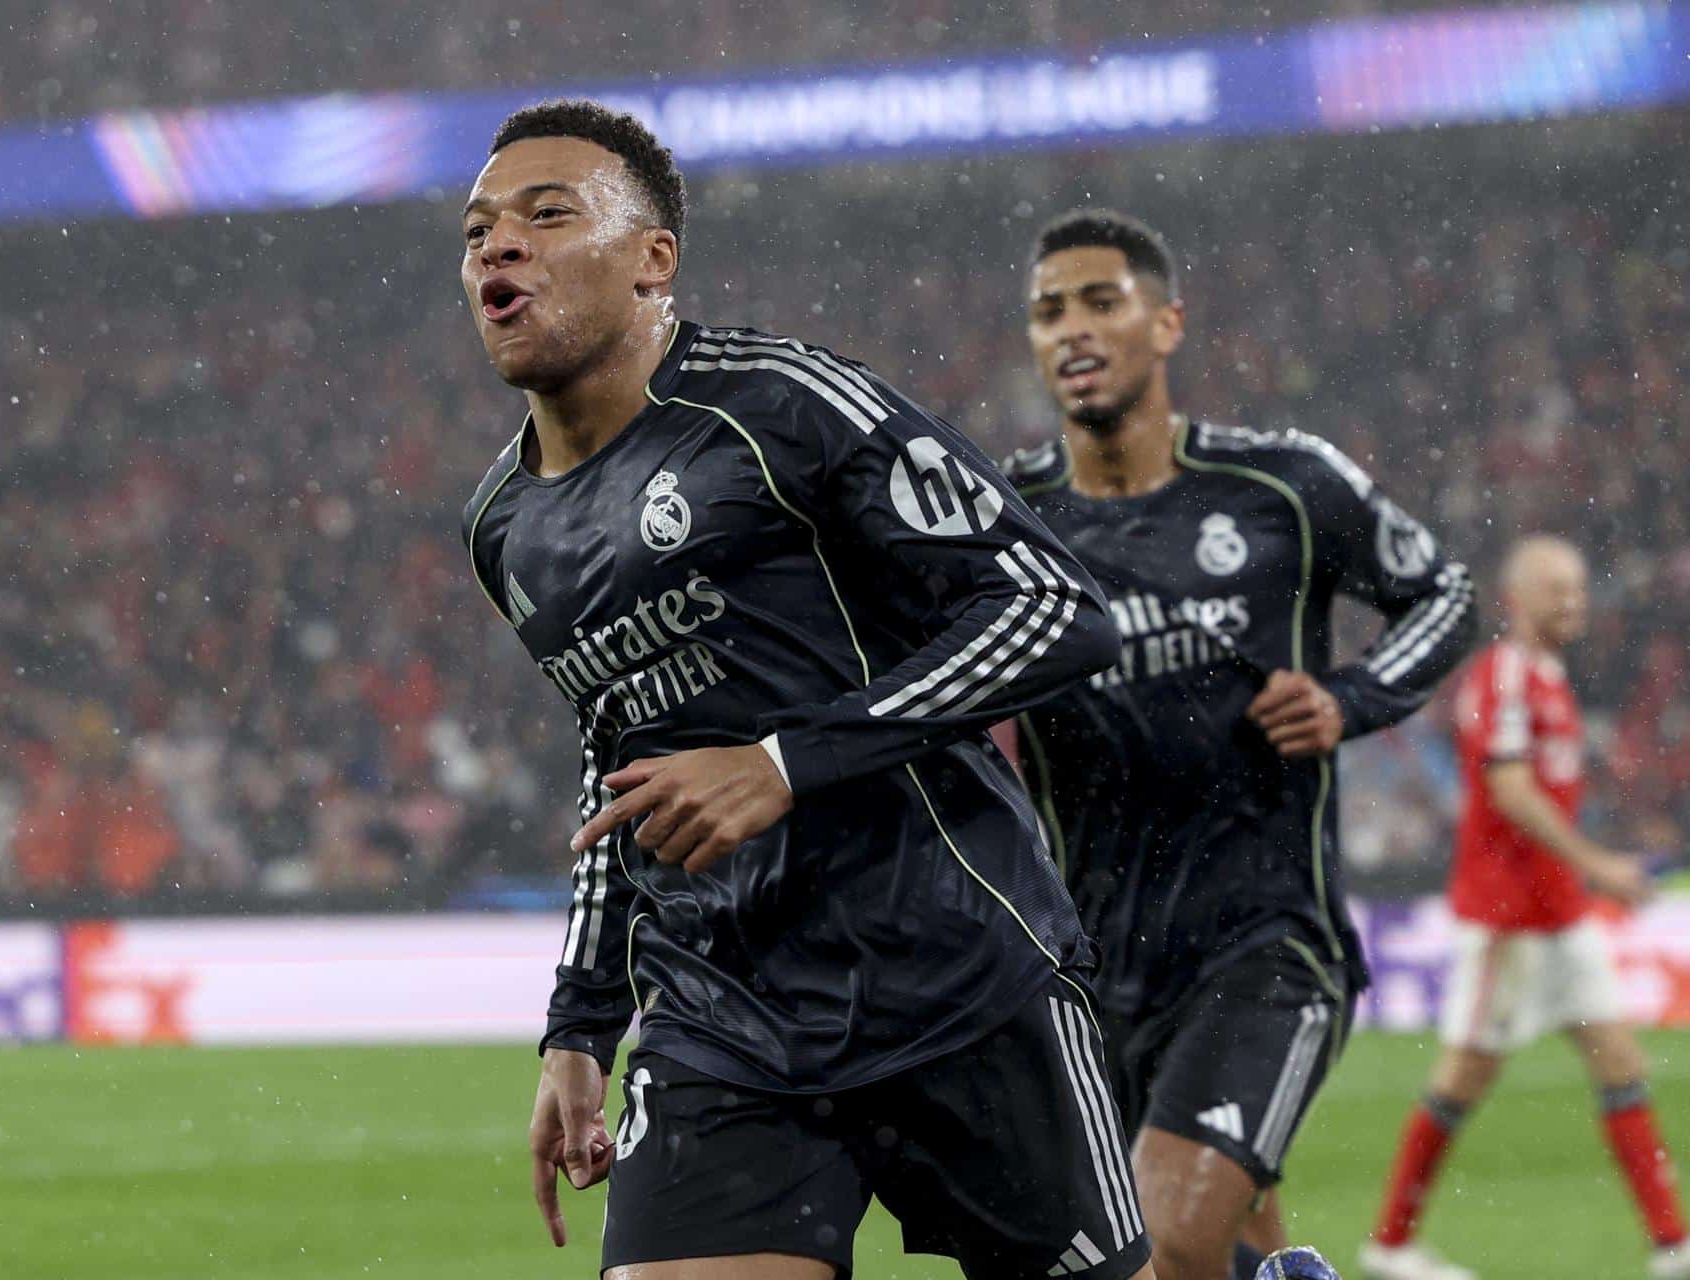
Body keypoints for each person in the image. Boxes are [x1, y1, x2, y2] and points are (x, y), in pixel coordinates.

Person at [458, 101, 1155, 1280]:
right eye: (477, 231)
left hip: (953, 969)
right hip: (720, 1012)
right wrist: (578, 1027)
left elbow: (1052, 606)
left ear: (652, 261)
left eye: (546, 214)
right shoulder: (502, 525)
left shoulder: (784, 402)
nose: (497, 247)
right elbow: (613, 750)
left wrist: (786, 762)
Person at [1001, 209, 1477, 1280]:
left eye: (1100, 300)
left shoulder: (1281, 487)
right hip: (1091, 968)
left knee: (1170, 1238)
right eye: (1047, 311)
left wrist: (1352, 697)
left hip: (1265, 944)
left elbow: (1443, 592)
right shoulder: (1005, 520)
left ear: (1166, 323)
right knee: (1178, 1258)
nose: (1071, 329)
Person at [1361, 535, 1689, 1280]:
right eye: (1556, 590)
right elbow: (1508, 790)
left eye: (1578, 589)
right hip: (1506, 921)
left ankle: (1673, 1247)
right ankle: (1391, 1243)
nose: (1573, 602)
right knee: (1461, 1080)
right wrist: (1599, 864)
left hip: (1561, 917)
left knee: (1622, 1065)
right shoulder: (1503, 676)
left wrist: (1583, 877)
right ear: (1516, 597)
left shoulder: (1549, 675)